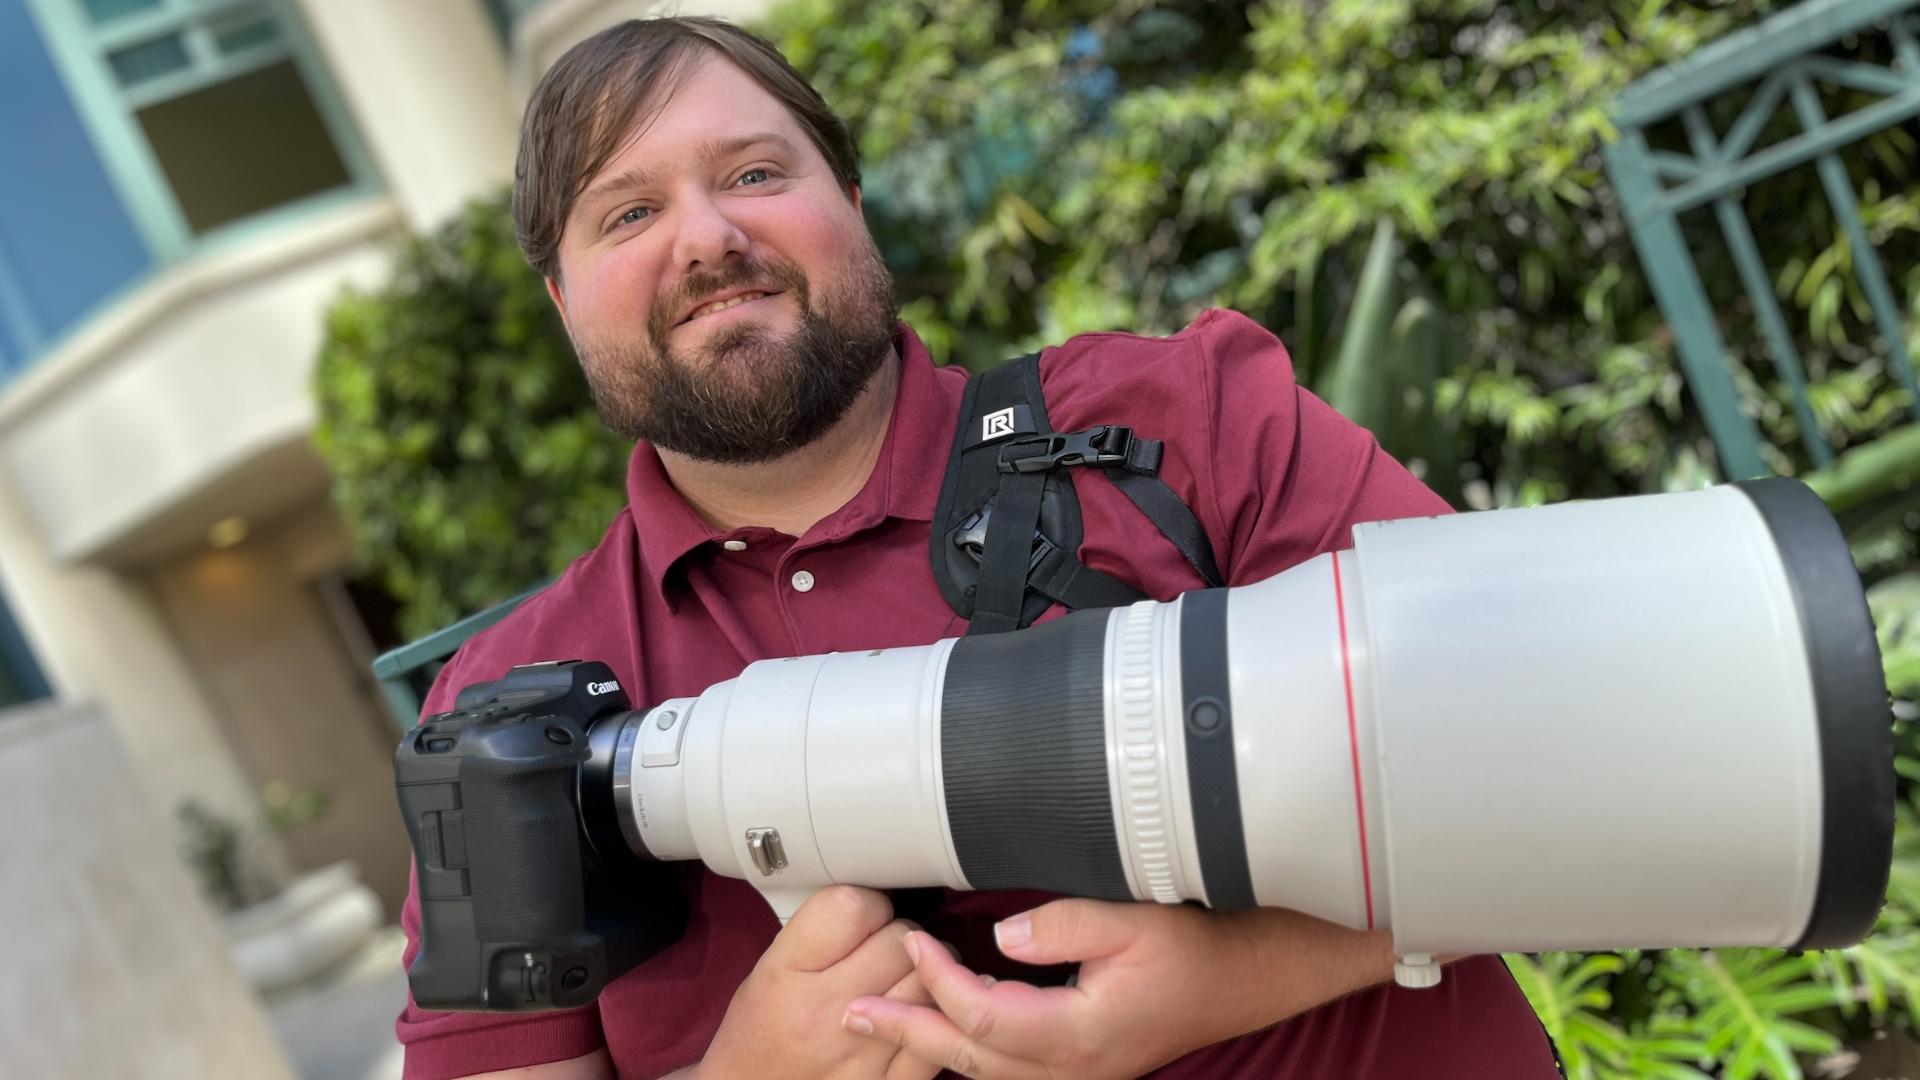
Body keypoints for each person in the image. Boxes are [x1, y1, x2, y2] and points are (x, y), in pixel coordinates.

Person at [395, 15, 1563, 1080]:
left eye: (755, 172)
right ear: (561, 297)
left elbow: (1564, 727)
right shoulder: (504, 719)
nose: (707, 237)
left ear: (850, 197)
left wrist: (1232, 977)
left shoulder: (1183, 420)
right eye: (629, 213)